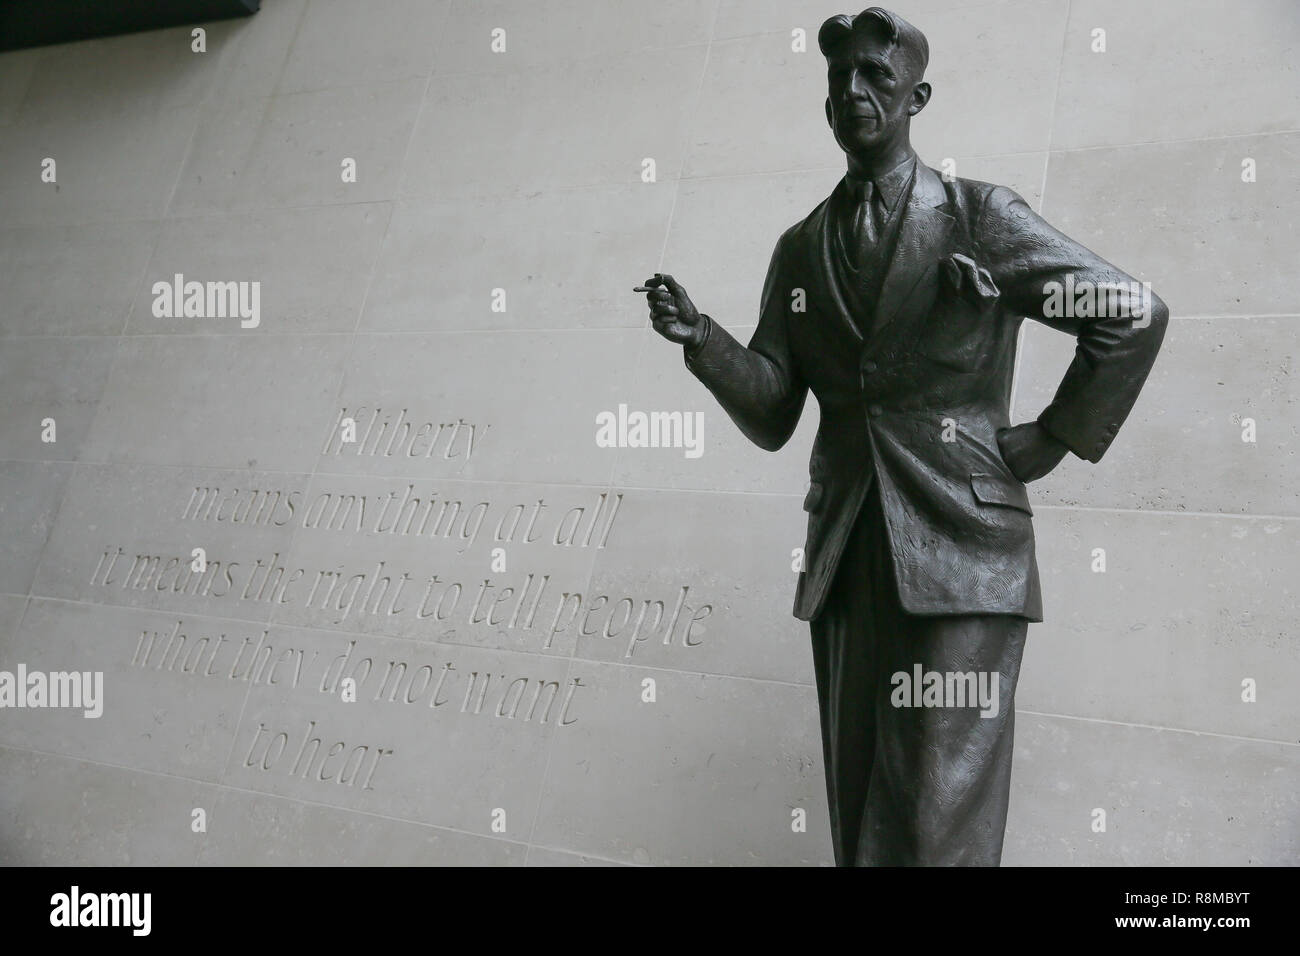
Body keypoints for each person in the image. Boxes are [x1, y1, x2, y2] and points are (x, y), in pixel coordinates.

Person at [636, 6, 1167, 865]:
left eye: (876, 77)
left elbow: (1130, 313)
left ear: (917, 97)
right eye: (839, 80)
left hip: (962, 550)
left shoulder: (980, 215)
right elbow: (774, 411)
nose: (854, 92)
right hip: (849, 553)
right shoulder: (801, 249)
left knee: (937, 816)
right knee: (861, 814)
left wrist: (1054, 436)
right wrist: (705, 341)